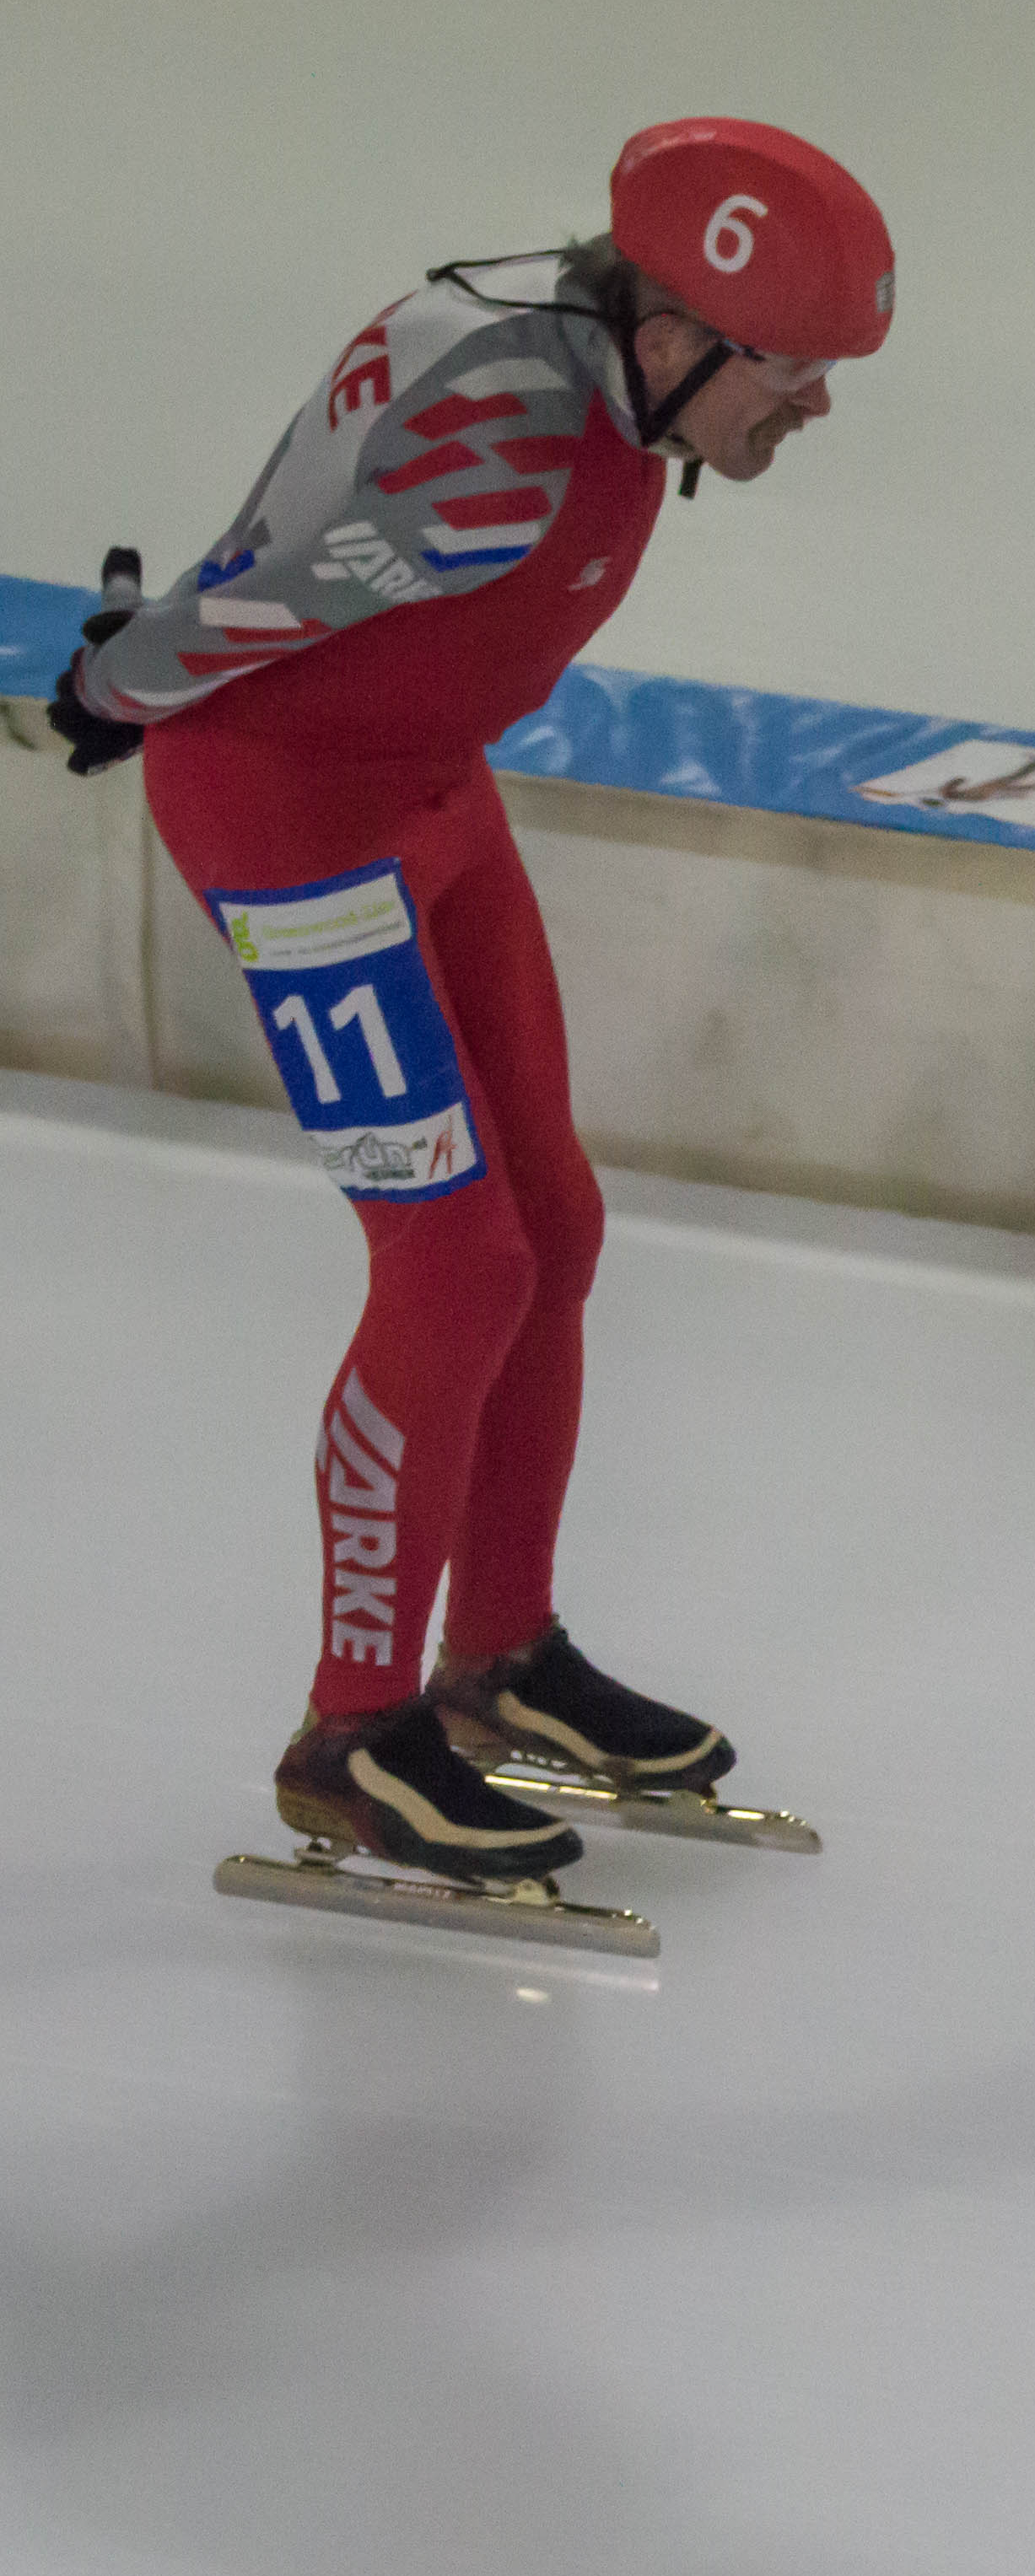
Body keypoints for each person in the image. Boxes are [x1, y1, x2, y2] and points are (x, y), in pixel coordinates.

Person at [52, 119, 893, 1895]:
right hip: (291, 818)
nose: (817, 404)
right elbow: (272, 593)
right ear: (673, 332)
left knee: (554, 1228)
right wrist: (119, 687)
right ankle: (352, 1733)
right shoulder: (505, 437)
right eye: (794, 368)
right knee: (453, 1262)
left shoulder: (603, 370)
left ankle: (498, 1650)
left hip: (429, 787)